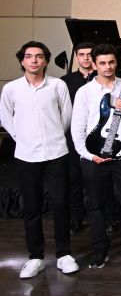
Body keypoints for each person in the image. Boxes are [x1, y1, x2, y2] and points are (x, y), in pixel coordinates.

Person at [1, 41, 77, 279]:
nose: (34, 60)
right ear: (22, 60)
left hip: (56, 152)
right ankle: (35, 257)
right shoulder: (11, 88)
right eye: (29, 56)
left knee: (60, 204)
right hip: (26, 154)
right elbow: (6, 117)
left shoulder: (58, 85)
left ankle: (64, 254)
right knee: (32, 207)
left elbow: (66, 116)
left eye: (39, 56)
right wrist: (22, 137)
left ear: (46, 60)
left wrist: (54, 135)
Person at [71, 43, 121, 268]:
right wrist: (87, 155)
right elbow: (77, 126)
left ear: (116, 62)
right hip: (94, 157)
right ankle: (100, 251)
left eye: (111, 62)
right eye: (102, 63)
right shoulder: (85, 92)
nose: (107, 67)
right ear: (94, 64)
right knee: (96, 206)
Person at [61, 41, 95, 234]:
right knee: (74, 179)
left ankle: (108, 217)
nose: (86, 58)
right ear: (77, 57)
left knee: (99, 179)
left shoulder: (101, 78)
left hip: (98, 134)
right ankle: (76, 218)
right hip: (72, 135)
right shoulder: (65, 81)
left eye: (90, 54)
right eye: (81, 54)